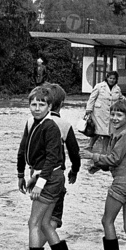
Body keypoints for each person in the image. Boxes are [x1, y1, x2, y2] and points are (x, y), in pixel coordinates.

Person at [80, 98, 126, 250]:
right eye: (112, 114)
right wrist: (98, 165)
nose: (114, 118)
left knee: (107, 221)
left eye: (119, 115)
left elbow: (114, 159)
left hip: (122, 183)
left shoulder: (124, 135)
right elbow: (119, 160)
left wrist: (92, 156)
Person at [17, 86, 70, 250]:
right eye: (33, 104)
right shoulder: (35, 124)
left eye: (41, 104)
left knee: (33, 223)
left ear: (50, 107)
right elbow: (23, 150)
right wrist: (22, 174)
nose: (37, 108)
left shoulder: (51, 127)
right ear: (29, 106)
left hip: (50, 179)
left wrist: (40, 183)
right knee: (46, 224)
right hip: (51, 178)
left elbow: (52, 159)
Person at [47, 83, 81, 234]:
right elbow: (75, 154)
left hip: (36, 174)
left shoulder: (33, 122)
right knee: (54, 217)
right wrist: (74, 171)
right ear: (62, 103)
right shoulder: (64, 125)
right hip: (55, 175)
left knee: (39, 214)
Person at [84, 70, 122, 154]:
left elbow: (120, 98)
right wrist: (88, 109)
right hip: (99, 113)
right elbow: (92, 98)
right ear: (107, 78)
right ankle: (90, 146)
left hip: (110, 113)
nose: (112, 80)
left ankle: (104, 150)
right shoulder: (99, 86)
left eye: (114, 79)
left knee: (108, 132)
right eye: (110, 78)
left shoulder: (117, 88)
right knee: (97, 130)